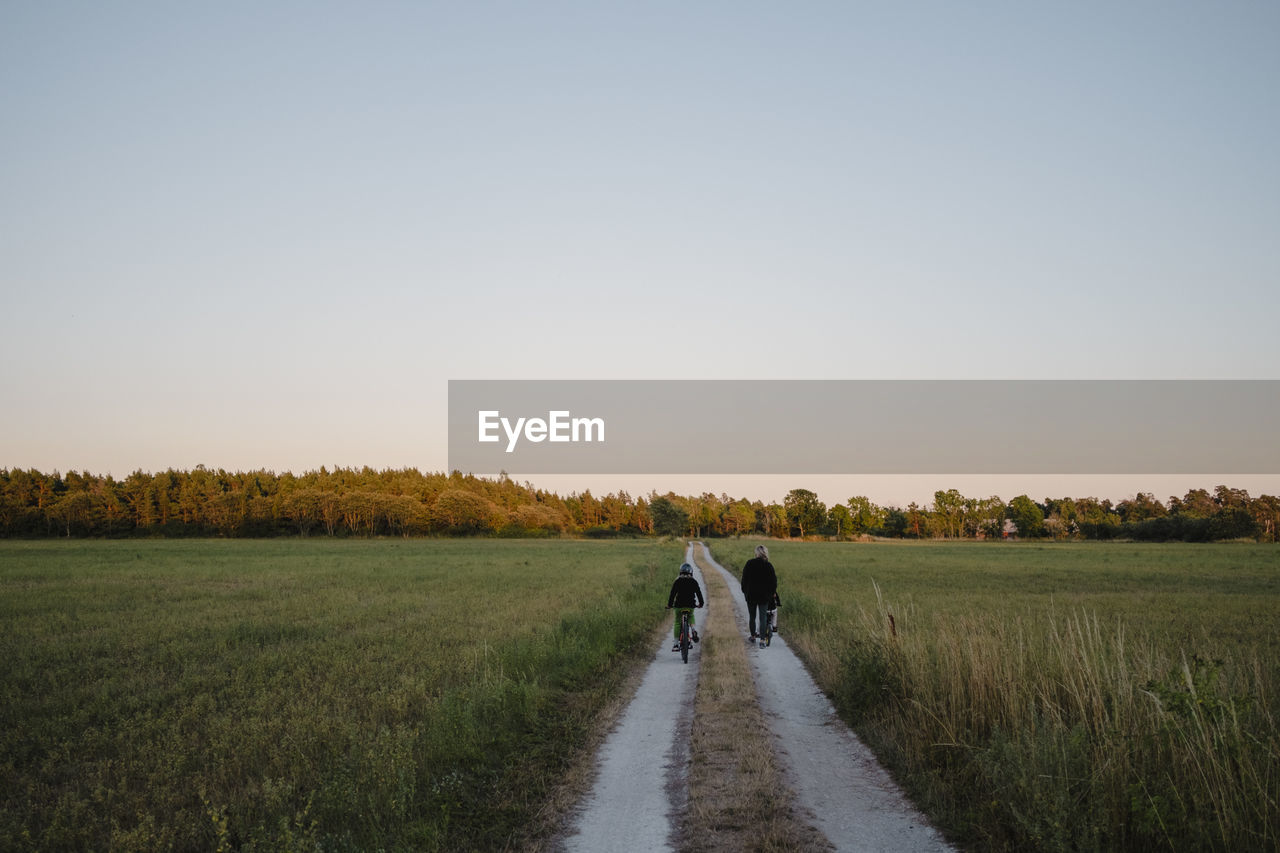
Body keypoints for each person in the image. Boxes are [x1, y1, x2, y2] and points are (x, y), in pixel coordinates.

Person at [740, 544, 777, 643]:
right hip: (764, 596)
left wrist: (744, 591)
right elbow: (773, 582)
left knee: (752, 617)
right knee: (763, 617)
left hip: (751, 594)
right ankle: (762, 639)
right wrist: (772, 593)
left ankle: (752, 636)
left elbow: (744, 579)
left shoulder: (749, 563)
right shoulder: (768, 565)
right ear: (765, 553)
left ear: (756, 553)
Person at [666, 562, 704, 651]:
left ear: (680, 572)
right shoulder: (694, 581)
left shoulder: (677, 581)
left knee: (677, 622)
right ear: (691, 572)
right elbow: (699, 593)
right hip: (690, 606)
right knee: (691, 616)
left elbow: (672, 594)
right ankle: (693, 629)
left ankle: (675, 644)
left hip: (679, 606)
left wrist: (669, 605)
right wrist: (701, 604)